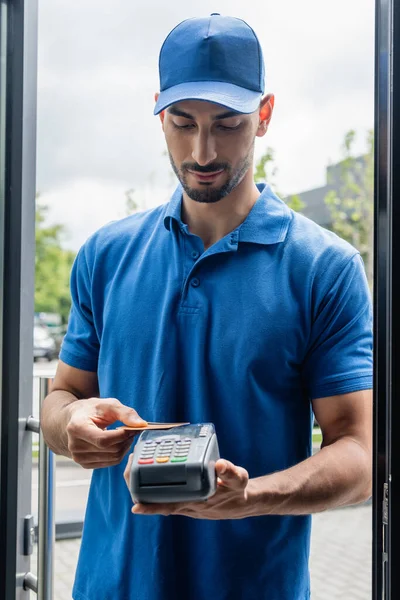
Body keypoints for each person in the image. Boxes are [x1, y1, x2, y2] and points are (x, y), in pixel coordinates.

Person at [41, 13, 373, 600]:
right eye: (183, 122)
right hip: (107, 586)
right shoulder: (106, 254)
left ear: (264, 116)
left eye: (228, 124)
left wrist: (252, 497)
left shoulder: (325, 268)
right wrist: (70, 426)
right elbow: (61, 398)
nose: (202, 150)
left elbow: (360, 456)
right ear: (159, 113)